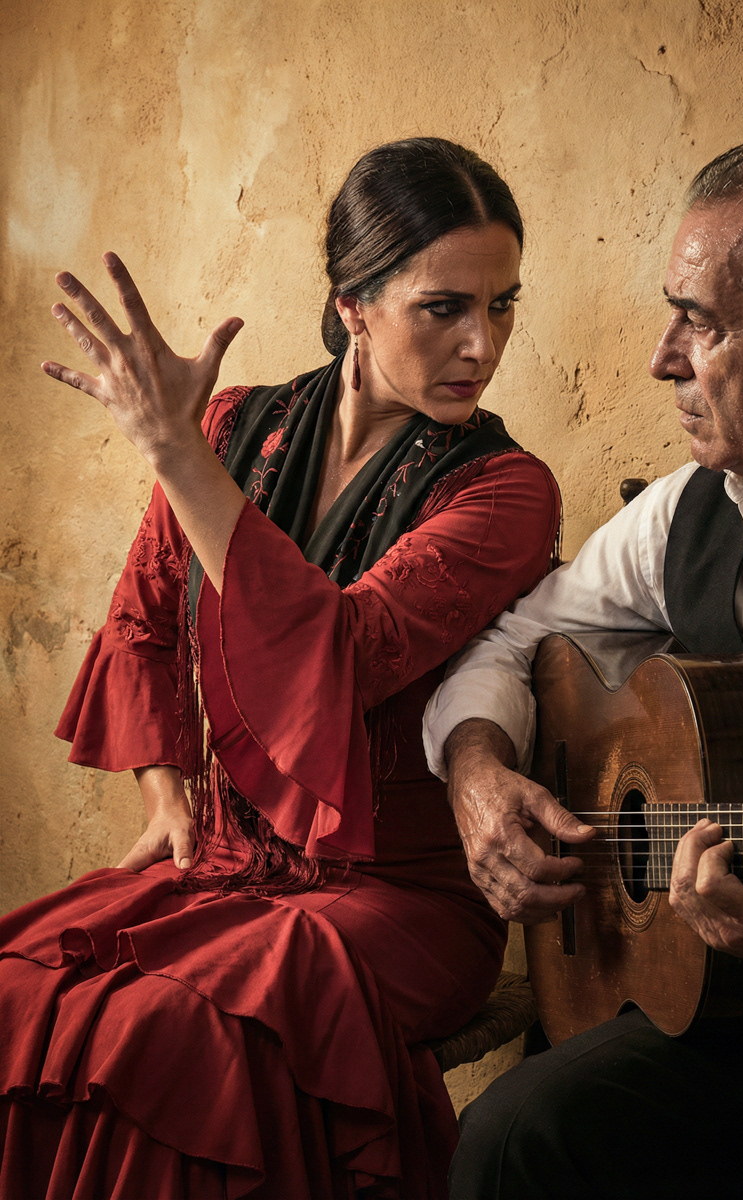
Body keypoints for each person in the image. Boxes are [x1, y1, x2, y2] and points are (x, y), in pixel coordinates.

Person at [0, 138, 561, 1199]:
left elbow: (336, 658)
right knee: (21, 995)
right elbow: (145, 617)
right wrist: (168, 797)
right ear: (354, 305)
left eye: (502, 306)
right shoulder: (227, 428)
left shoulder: (504, 491)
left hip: (394, 897)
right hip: (227, 866)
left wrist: (174, 455)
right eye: (444, 308)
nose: (482, 344)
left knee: (164, 1036)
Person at [423, 128, 743, 1200]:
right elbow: (514, 643)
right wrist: (478, 774)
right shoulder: (693, 508)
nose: (661, 357)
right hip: (735, 1019)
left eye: (702, 322)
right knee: (509, 1139)